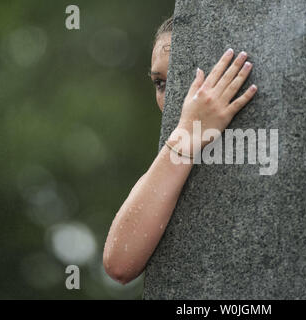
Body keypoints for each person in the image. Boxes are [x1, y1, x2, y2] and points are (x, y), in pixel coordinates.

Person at [103, 16, 257, 284]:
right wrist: (186, 135)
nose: (174, 97)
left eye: (183, 78)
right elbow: (119, 264)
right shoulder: (171, 162)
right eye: (160, 84)